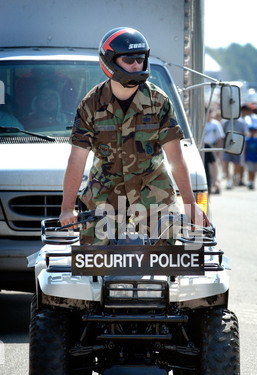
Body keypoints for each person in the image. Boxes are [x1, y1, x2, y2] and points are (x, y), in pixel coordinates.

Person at [59, 27, 209, 244]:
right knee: (96, 268)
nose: (136, 65)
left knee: (162, 269)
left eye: (140, 59)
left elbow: (175, 158)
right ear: (110, 61)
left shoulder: (159, 102)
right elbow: (77, 159)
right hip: (105, 201)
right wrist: (67, 208)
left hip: (154, 200)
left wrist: (189, 204)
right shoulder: (91, 105)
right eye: (129, 59)